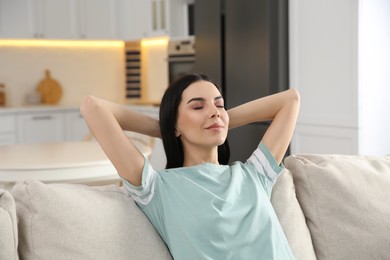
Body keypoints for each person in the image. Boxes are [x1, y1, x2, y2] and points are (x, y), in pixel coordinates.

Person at [80, 73, 300, 259]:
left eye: (219, 104)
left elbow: (290, 100)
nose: (214, 111)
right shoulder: (156, 188)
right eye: (197, 106)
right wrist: (166, 129)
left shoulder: (255, 174)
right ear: (175, 124)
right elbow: (93, 107)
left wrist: (218, 120)